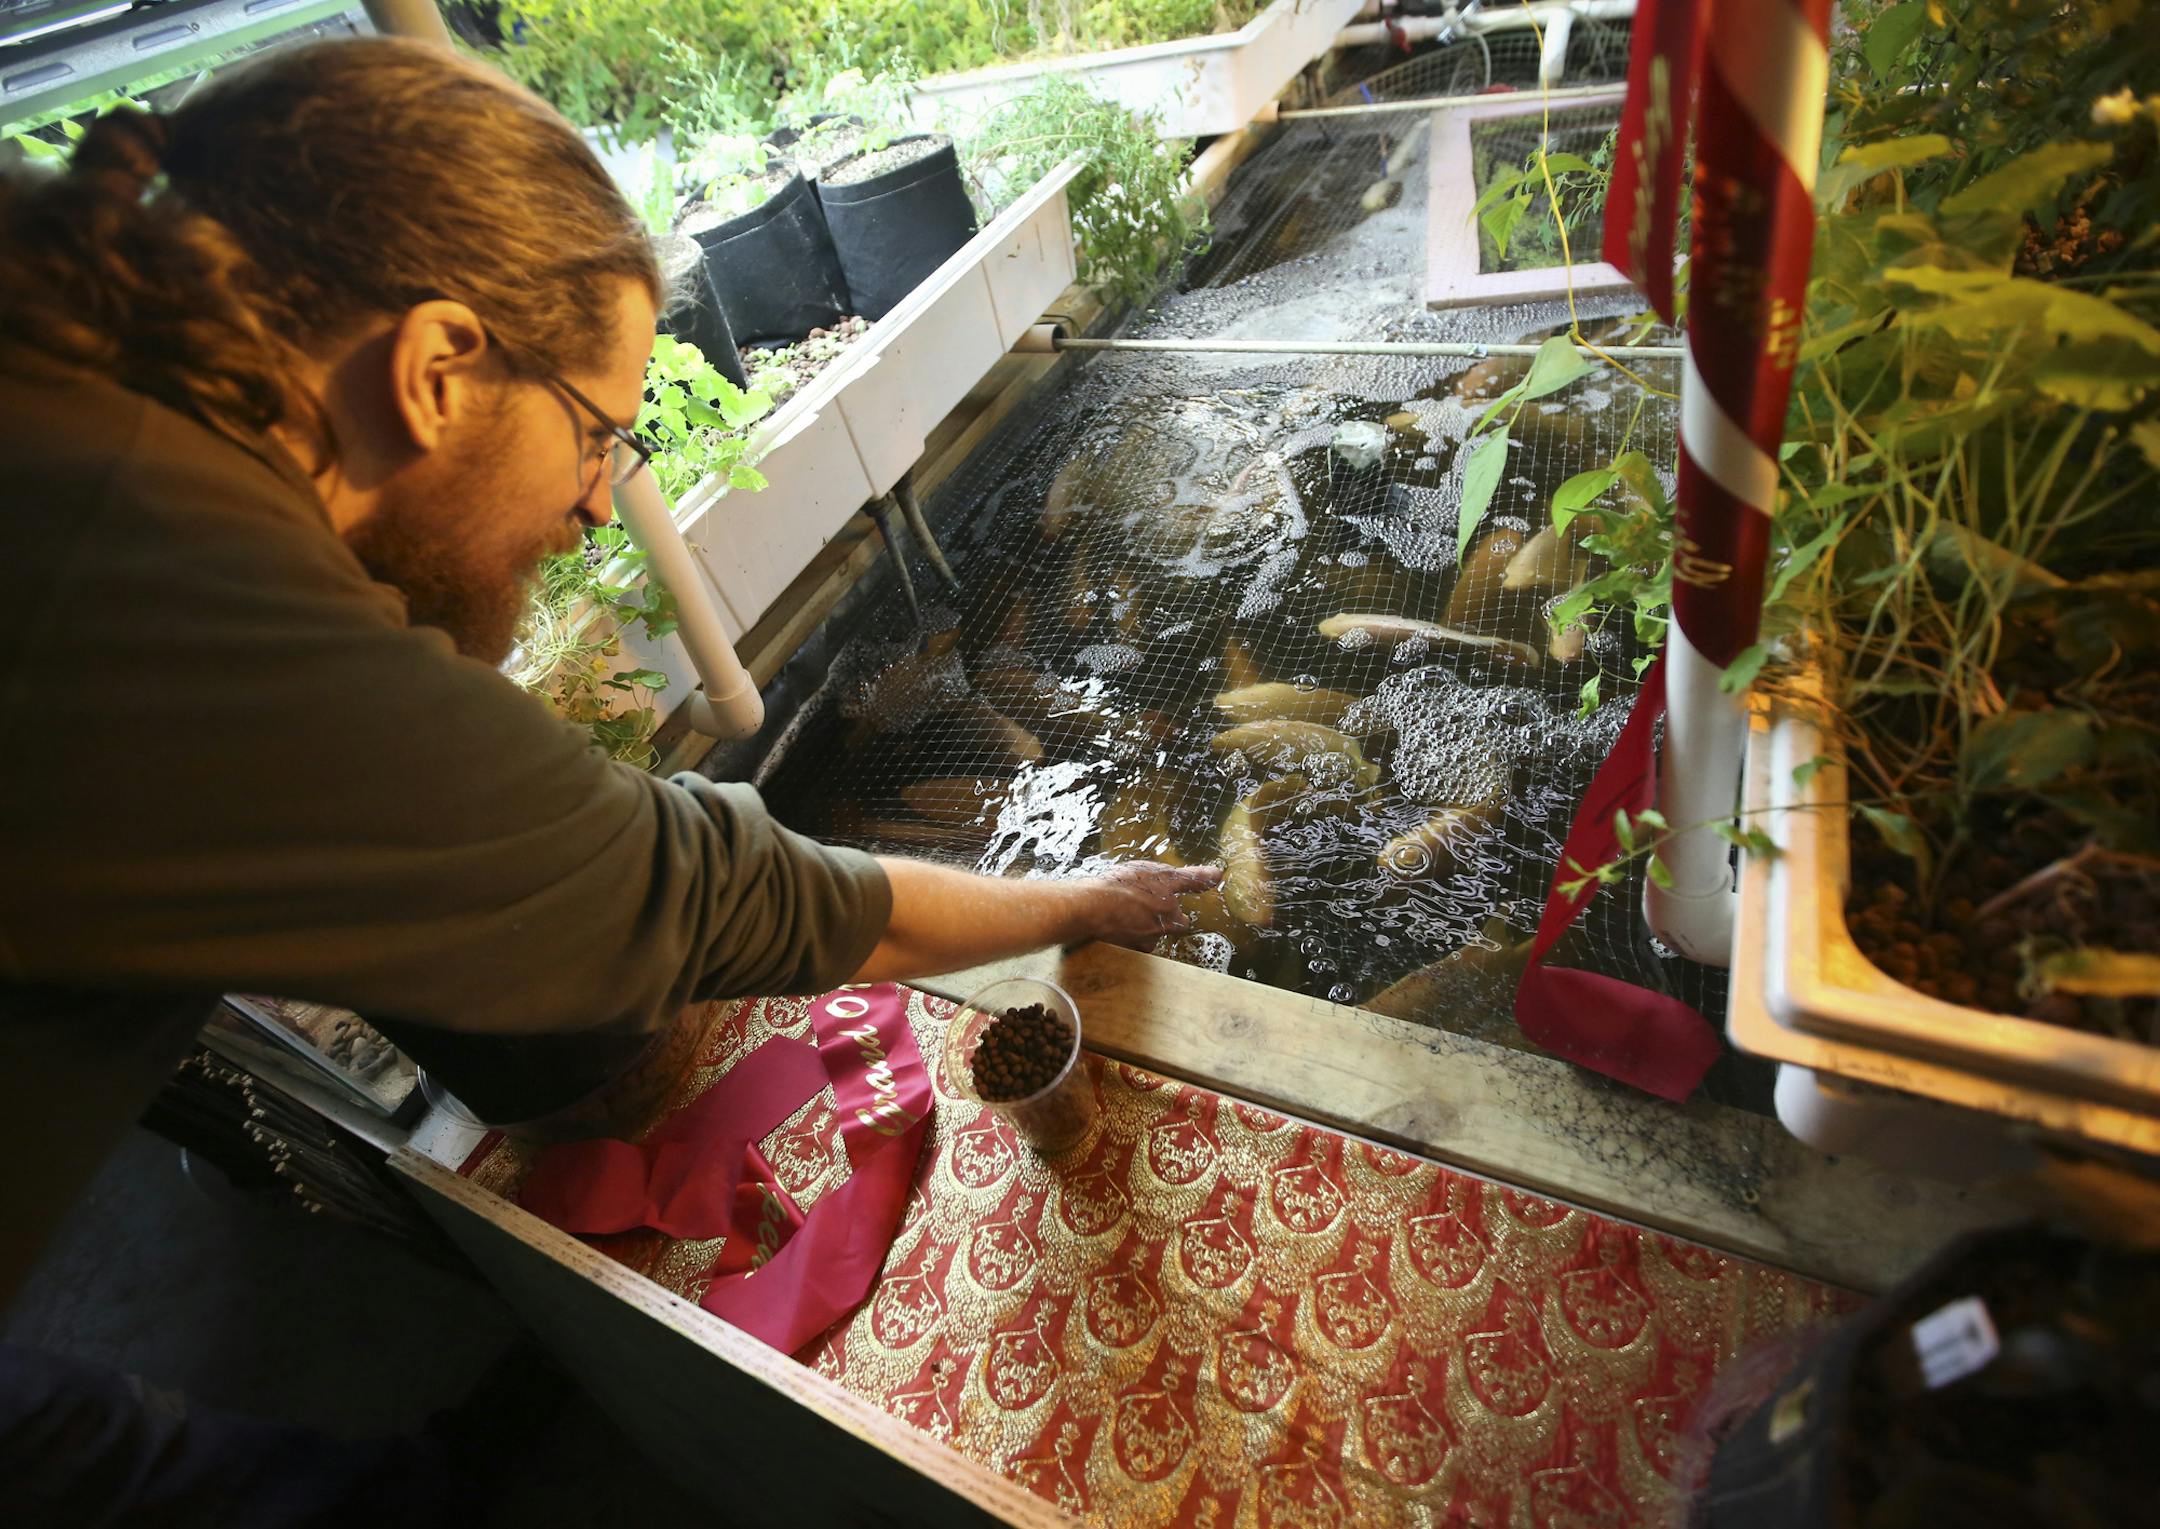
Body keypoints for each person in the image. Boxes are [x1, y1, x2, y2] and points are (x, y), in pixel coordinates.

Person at [0, 39, 1215, 1312]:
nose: (596, 505)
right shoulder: (238, 645)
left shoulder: (79, 345)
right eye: (595, 435)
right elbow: (746, 899)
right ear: (434, 370)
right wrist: (1080, 899)